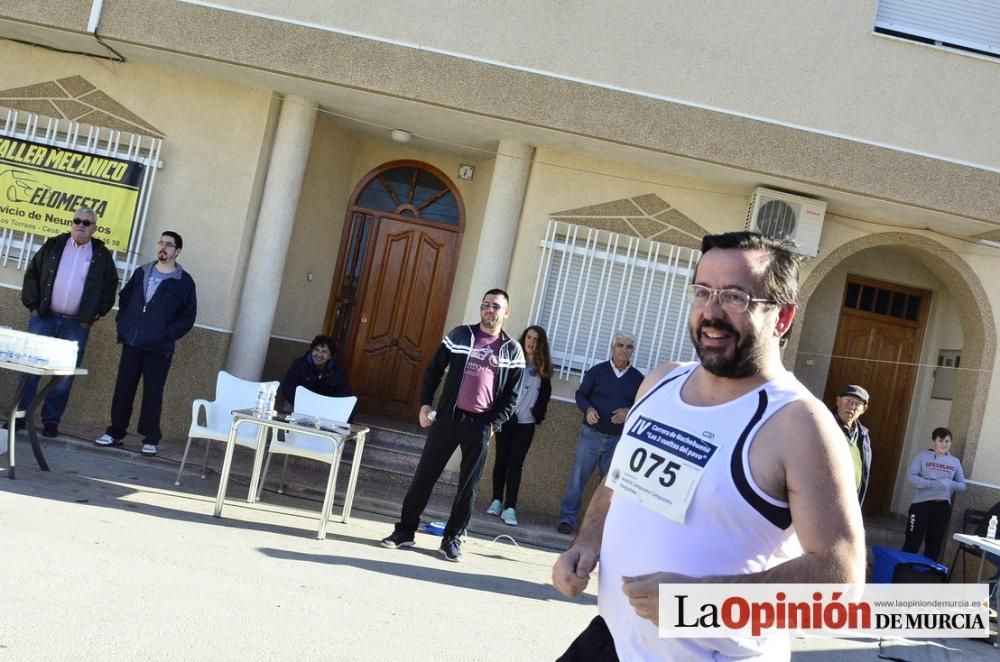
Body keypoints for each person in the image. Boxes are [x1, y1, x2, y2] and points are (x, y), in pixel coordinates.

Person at [551, 232, 865, 661]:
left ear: (783, 317)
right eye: (703, 292)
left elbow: (840, 578)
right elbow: (618, 483)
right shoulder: (660, 383)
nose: (711, 312)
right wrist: (586, 544)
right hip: (613, 639)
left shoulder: (800, 424)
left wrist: (701, 602)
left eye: (735, 297)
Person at [381, 289, 525, 562]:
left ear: (506, 312)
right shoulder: (459, 335)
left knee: (467, 488)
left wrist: (495, 424)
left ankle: (452, 539)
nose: (489, 310)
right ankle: (404, 532)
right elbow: (434, 370)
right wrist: (425, 404)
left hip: (480, 425)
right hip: (448, 418)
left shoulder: (512, 350)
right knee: (424, 476)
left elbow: (513, 395)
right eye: (485, 305)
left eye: (496, 306)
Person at [17, 206, 119, 437]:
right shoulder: (54, 245)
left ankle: (51, 421)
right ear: (71, 223)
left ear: (94, 229)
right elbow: (32, 273)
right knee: (29, 369)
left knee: (63, 374)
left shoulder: (101, 254)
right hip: (43, 318)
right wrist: (33, 307)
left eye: (86, 223)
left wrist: (95, 316)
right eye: (77, 221)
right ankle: (20, 416)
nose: (80, 225)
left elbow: (110, 285)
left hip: (76, 324)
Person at [94, 232, 197, 457]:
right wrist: (125, 324)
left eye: (169, 245)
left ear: (177, 251)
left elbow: (188, 317)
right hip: (133, 342)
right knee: (123, 389)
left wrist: (167, 335)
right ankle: (115, 433)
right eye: (161, 243)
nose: (163, 248)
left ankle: (150, 438)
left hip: (159, 348)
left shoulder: (183, 281)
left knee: (153, 393)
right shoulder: (142, 272)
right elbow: (125, 298)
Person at [556, 332, 643, 534]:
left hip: (617, 440)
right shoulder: (598, 371)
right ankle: (567, 519)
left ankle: (604, 527)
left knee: (611, 486)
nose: (624, 349)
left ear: (633, 351)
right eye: (620, 345)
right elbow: (580, 395)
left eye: (629, 347)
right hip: (591, 436)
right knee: (577, 480)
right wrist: (588, 409)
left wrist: (628, 412)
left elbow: (642, 406)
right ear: (612, 347)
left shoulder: (638, 379)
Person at [486, 325, 553, 527]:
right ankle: (496, 500)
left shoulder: (544, 369)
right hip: (507, 420)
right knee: (501, 460)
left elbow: (544, 396)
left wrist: (537, 414)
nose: (531, 342)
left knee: (516, 464)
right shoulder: (513, 361)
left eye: (536, 339)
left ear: (541, 344)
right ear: (524, 339)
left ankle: (510, 508)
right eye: (529, 337)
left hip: (526, 424)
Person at [901, 427, 966, 562]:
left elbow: (962, 485)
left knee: (934, 545)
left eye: (947, 441)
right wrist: (930, 483)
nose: (944, 444)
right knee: (912, 541)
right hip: (921, 505)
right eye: (940, 441)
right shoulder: (922, 457)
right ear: (933, 442)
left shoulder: (955, 462)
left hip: (942, 507)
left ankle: (927, 578)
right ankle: (904, 574)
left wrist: (948, 484)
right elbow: (911, 477)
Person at [276, 334, 352, 412]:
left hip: (324, 408)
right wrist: (302, 403)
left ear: (330, 356)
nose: (319, 355)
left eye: (324, 352)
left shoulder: (338, 371)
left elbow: (345, 394)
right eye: (316, 350)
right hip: (299, 404)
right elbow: (288, 387)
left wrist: (327, 406)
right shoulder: (299, 364)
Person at [832, 384, 872, 505]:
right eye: (848, 400)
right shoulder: (824, 425)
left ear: (864, 409)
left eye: (857, 403)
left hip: (851, 501)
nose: (851, 406)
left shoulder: (863, 435)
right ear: (838, 401)